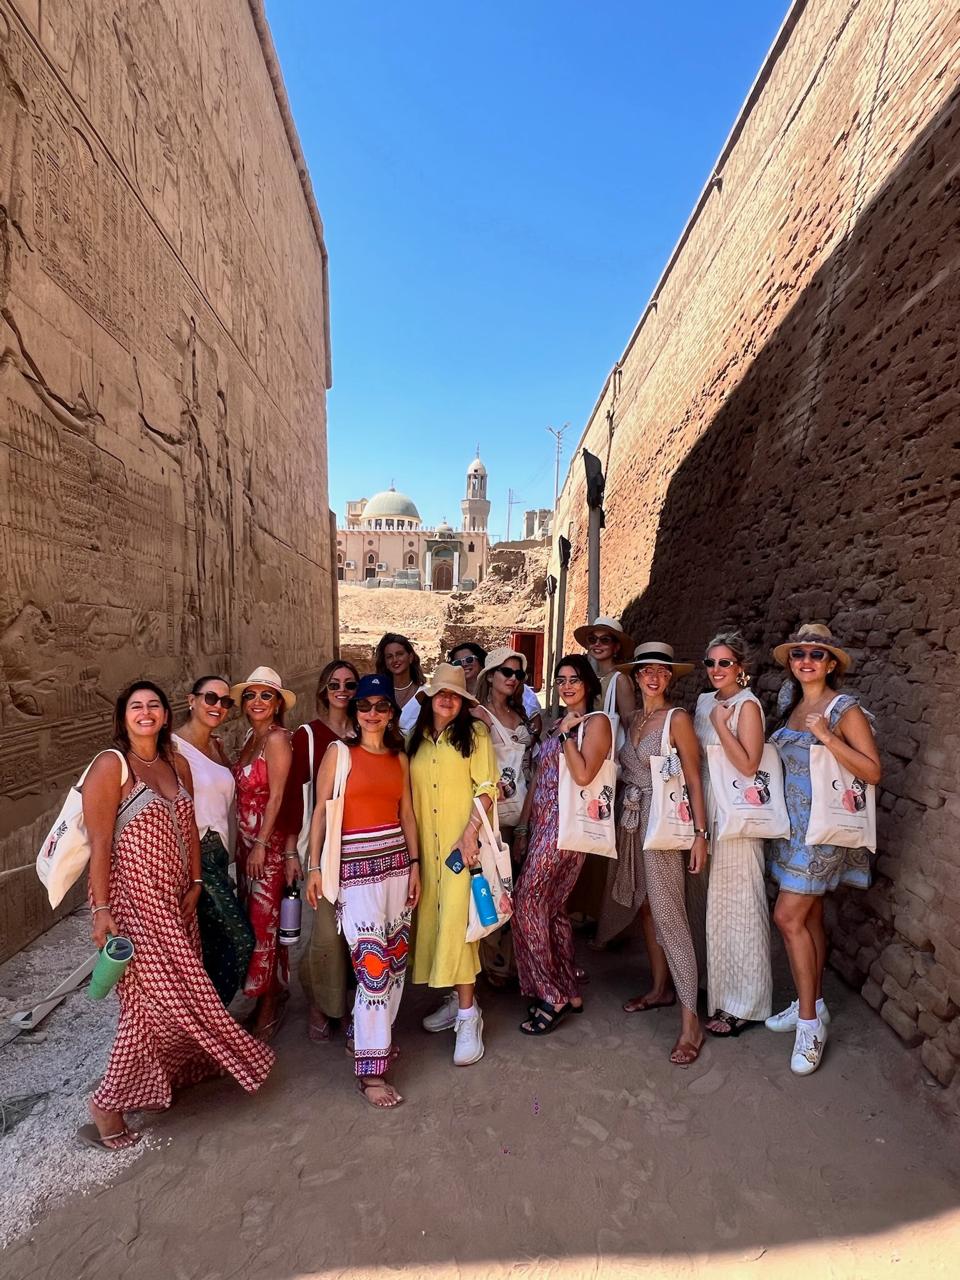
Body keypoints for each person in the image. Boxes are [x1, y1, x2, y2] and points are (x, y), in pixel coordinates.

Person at [78, 681, 273, 1151]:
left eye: (153, 705)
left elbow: (189, 829)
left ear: (166, 715)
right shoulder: (112, 765)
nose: (145, 712)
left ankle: (175, 1070)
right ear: (123, 716)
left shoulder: (175, 762)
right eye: (136, 706)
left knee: (183, 991)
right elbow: (100, 844)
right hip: (133, 901)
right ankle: (107, 1105)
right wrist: (101, 910)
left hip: (176, 898)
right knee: (148, 1006)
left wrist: (197, 882)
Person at [767, 623, 881, 1076]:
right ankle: (811, 1002)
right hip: (792, 833)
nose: (806, 661)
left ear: (831, 663)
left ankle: (810, 1026)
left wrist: (830, 738)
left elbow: (873, 771)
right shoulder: (792, 704)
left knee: (787, 917)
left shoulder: (842, 708)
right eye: (799, 654)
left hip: (822, 833)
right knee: (809, 917)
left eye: (817, 654)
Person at [305, 674, 421, 1108]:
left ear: (392, 712)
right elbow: (320, 812)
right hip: (354, 873)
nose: (372, 713)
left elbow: (406, 814)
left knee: (395, 963)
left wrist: (415, 866)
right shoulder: (340, 753)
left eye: (381, 706)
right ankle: (371, 1073)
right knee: (372, 966)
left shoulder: (398, 758)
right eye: (365, 705)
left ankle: (369, 1036)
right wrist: (315, 866)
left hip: (396, 868)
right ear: (355, 712)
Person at [609, 642, 709, 1066]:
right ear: (636, 677)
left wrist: (700, 833)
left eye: (662, 672)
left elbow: (693, 776)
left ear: (671, 678)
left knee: (670, 914)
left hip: (662, 821)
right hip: (632, 818)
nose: (654, 677)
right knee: (647, 907)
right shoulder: (631, 719)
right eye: (647, 670)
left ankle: (691, 1024)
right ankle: (659, 989)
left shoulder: (676, 719)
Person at [512, 654, 612, 1033]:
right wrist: (523, 828)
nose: (567, 686)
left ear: (588, 683)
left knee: (526, 902)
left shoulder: (596, 723)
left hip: (565, 830)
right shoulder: (557, 724)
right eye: (561, 680)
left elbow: (584, 774)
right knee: (552, 909)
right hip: (543, 827)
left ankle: (550, 994)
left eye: (574, 679)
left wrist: (570, 734)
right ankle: (569, 990)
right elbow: (540, 777)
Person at [407, 662, 498, 1065]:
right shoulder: (415, 740)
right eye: (441, 693)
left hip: (462, 851)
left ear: (463, 702)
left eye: (455, 695)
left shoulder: (475, 735)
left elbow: (488, 786)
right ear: (429, 699)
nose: (447, 700)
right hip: (426, 852)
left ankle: (467, 1015)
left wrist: (470, 831)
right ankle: (456, 1000)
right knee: (436, 922)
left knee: (459, 928)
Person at [693, 633, 772, 1036]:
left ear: (740, 667)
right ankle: (719, 991)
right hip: (707, 809)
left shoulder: (748, 706)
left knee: (741, 904)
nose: (716, 670)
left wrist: (721, 727)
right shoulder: (705, 701)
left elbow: (749, 765)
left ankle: (747, 1002)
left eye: (725, 663)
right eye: (711, 663)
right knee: (714, 905)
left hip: (737, 814)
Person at [282, 659, 359, 1042]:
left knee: (354, 931)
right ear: (323, 691)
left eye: (349, 684)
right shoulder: (309, 736)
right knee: (326, 932)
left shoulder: (367, 728)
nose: (342, 690)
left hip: (361, 842)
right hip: (323, 845)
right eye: (334, 684)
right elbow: (295, 797)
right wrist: (291, 853)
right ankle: (321, 1003)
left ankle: (341, 1002)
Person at [172, 676, 254, 1005]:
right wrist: (192, 872)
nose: (218, 706)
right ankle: (210, 1019)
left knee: (213, 945)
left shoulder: (216, 745)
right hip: (198, 854)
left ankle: (206, 1019)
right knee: (240, 939)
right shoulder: (173, 748)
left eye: (225, 702)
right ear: (191, 700)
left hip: (218, 854)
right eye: (210, 698)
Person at [230, 666, 295, 1042]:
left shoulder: (276, 739)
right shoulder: (249, 738)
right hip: (247, 845)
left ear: (277, 704)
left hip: (264, 847)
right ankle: (268, 994)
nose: (257, 701)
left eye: (266, 695)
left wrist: (261, 845)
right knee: (253, 921)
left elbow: (278, 796)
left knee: (263, 926)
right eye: (251, 695)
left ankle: (268, 1005)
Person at [471, 647, 540, 987]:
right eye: (507, 672)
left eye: (518, 674)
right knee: (490, 887)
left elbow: (529, 766)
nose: (513, 679)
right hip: (491, 817)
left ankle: (509, 963)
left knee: (516, 888)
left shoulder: (520, 715)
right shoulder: (476, 715)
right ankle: (490, 964)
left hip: (521, 812)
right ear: (490, 676)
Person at [574, 615, 636, 722]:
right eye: (592, 639)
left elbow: (629, 723)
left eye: (605, 640)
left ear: (616, 647)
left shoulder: (620, 679)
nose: (597, 644)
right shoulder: (593, 677)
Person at [376, 633, 426, 735]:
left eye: (399, 654)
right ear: (385, 662)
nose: (395, 660)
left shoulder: (425, 694)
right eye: (389, 656)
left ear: (410, 657)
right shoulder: (379, 694)